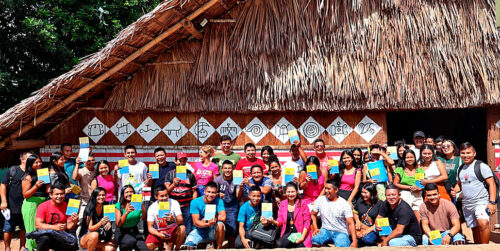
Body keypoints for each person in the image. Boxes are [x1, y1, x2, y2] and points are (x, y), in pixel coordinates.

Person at [452, 142, 497, 244]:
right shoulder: (460, 168)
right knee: (474, 228)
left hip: (481, 201)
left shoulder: (481, 166)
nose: (466, 155)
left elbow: (492, 184)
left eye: (468, 153)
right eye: (463, 153)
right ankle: (477, 247)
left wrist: (492, 202)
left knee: (483, 223)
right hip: (467, 204)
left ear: (474, 153)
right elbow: (459, 184)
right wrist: (455, 190)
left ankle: (485, 248)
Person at [310, 179, 357, 247]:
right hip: (325, 230)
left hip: (341, 232)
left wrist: (354, 241)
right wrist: (315, 228)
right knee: (315, 240)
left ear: (336, 190)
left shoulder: (344, 204)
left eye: (328, 189)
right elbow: (313, 214)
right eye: (325, 188)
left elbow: (351, 223)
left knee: (343, 246)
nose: (326, 191)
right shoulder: (320, 199)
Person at [264, 182, 312, 248]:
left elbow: (307, 221)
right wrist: (272, 221)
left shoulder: (302, 203)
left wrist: (302, 237)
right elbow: (280, 221)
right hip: (288, 233)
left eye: (293, 192)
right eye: (288, 192)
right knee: (279, 244)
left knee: (301, 247)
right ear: (285, 192)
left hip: (301, 232)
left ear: (297, 192)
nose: (290, 194)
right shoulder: (283, 204)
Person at [33, 183, 79, 251]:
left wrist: (74, 221)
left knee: (73, 242)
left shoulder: (67, 206)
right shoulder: (43, 206)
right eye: (57, 194)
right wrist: (54, 227)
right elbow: (38, 225)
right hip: (46, 234)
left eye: (62, 194)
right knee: (44, 239)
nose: (59, 196)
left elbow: (69, 226)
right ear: (51, 195)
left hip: (61, 235)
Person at [1, 151, 32, 251]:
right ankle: (7, 248)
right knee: (8, 228)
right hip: (11, 205)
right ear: (22, 160)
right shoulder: (13, 170)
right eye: (29, 158)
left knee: (24, 228)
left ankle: (22, 247)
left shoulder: (32, 171)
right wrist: (3, 201)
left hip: (27, 205)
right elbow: (3, 185)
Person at [184, 182, 226, 249]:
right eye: (208, 192)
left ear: (216, 193)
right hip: (199, 230)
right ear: (204, 191)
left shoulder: (219, 201)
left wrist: (213, 219)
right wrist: (207, 223)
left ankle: (218, 248)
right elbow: (196, 222)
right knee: (189, 245)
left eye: (213, 192)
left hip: (212, 230)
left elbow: (223, 217)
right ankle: (207, 243)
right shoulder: (195, 202)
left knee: (220, 225)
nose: (210, 194)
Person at [21, 154, 49, 251]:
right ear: (30, 164)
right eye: (36, 162)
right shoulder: (27, 177)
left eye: (40, 162)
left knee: (42, 229)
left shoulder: (43, 174)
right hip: (31, 204)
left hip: (43, 202)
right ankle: (31, 248)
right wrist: (36, 186)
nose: (39, 164)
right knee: (32, 228)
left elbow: (47, 191)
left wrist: (48, 183)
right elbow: (25, 194)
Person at [146, 185, 186, 251]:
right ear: (156, 197)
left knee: (182, 228)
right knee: (149, 245)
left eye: (166, 195)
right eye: (162, 196)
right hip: (160, 231)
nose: (164, 198)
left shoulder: (174, 203)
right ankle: (161, 246)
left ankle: (176, 248)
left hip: (172, 230)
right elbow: (150, 227)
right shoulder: (152, 207)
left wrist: (173, 220)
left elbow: (181, 220)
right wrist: (158, 234)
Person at [165, 159, 198, 236]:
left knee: (188, 227)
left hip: (187, 205)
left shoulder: (190, 174)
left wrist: (193, 205)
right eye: (179, 161)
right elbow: (166, 191)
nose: (181, 163)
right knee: (173, 225)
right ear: (175, 161)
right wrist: (173, 184)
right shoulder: (170, 174)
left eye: (183, 161)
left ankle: (187, 242)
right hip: (174, 206)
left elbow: (194, 191)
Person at [215, 160, 242, 247]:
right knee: (217, 226)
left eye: (229, 168)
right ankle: (216, 245)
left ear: (233, 169)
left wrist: (241, 188)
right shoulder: (217, 180)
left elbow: (238, 196)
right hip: (220, 206)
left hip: (232, 206)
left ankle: (231, 246)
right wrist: (217, 194)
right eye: (225, 168)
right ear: (222, 169)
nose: (227, 170)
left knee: (232, 229)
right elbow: (211, 193)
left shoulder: (237, 178)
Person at [393, 149, 424, 221]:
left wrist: (419, 188)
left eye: (411, 157)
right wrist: (409, 187)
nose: (410, 159)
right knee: (406, 214)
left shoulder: (419, 170)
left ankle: (418, 231)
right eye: (407, 157)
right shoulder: (400, 170)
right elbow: (395, 183)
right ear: (404, 159)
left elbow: (420, 184)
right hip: (405, 194)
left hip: (417, 194)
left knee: (419, 215)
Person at [115, 185, 146, 251]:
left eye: (131, 192)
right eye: (127, 192)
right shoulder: (119, 205)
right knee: (131, 241)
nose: (129, 194)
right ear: (123, 194)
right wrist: (126, 212)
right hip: (122, 231)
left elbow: (144, 218)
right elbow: (118, 224)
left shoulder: (137, 204)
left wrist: (142, 207)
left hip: (134, 230)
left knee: (144, 248)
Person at [73, 154, 97, 238]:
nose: (90, 162)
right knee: (81, 221)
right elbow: (75, 177)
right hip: (84, 201)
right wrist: (77, 164)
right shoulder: (81, 171)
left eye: (92, 160)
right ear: (84, 162)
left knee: (92, 223)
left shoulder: (97, 171)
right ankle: (78, 242)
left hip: (95, 202)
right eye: (88, 160)